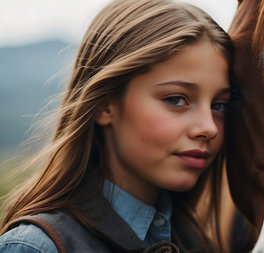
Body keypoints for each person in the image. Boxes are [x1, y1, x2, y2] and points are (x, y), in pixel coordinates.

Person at [0, 0, 236, 252]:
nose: (208, 127)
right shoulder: (37, 247)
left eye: (218, 105)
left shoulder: (202, 243)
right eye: (176, 99)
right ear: (104, 105)